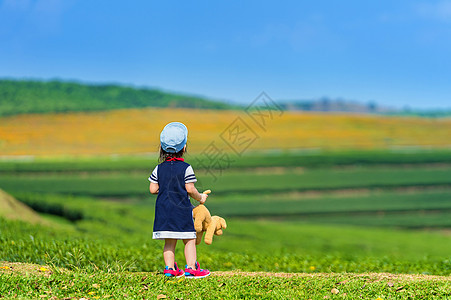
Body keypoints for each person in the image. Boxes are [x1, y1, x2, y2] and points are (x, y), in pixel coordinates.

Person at [148, 122, 211, 279]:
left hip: (163, 211)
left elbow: (152, 189)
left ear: (162, 149)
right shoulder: (186, 168)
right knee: (189, 238)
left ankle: (170, 269)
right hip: (181, 210)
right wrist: (201, 197)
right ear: (184, 148)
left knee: (169, 241)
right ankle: (191, 268)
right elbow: (190, 189)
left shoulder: (158, 168)